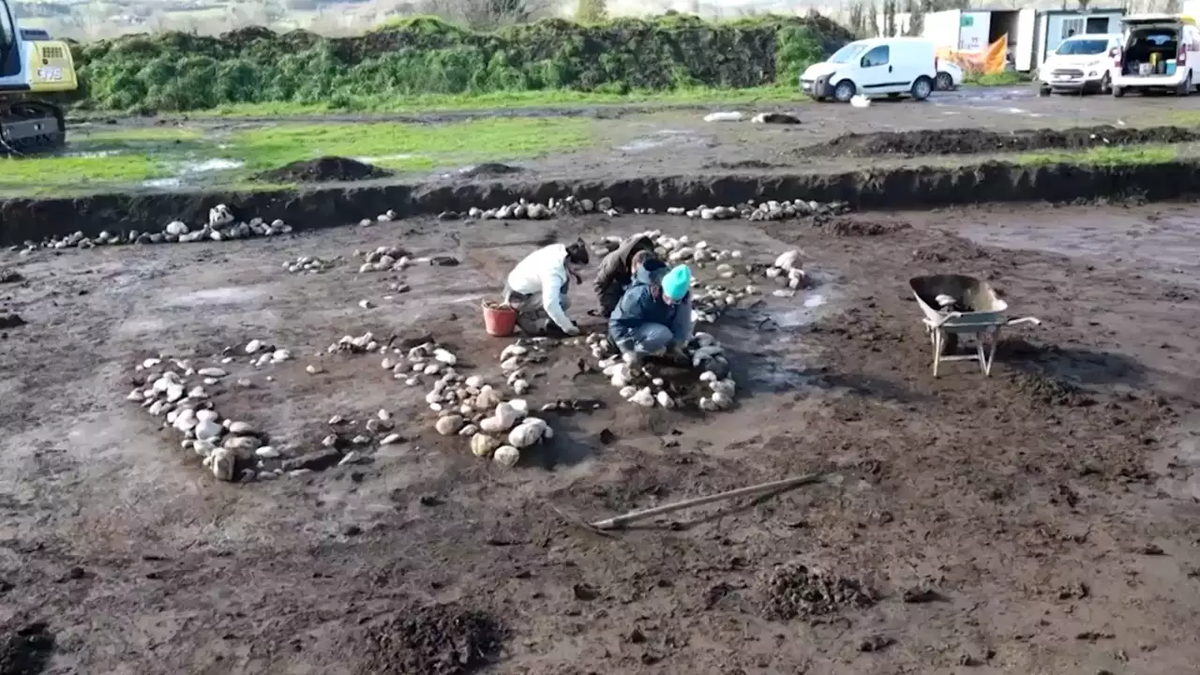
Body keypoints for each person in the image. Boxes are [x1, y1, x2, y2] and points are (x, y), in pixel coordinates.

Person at [502, 238, 589, 337]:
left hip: (514, 284)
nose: (578, 272)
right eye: (576, 268)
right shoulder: (554, 273)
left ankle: (555, 318)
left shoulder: (559, 250)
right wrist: (568, 328)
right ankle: (527, 321)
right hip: (518, 298)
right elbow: (550, 304)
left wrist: (574, 273)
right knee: (563, 302)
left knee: (564, 284)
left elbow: (563, 273)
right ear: (569, 260)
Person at [609, 263, 694, 363]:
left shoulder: (683, 298)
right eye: (667, 297)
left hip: (656, 322)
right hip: (632, 327)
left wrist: (675, 346)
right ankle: (638, 353)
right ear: (661, 288)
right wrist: (627, 350)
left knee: (690, 320)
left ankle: (665, 347)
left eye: (675, 300)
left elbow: (682, 323)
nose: (670, 302)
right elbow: (616, 322)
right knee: (663, 334)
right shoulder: (638, 295)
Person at [593, 234, 657, 317]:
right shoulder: (613, 262)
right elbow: (599, 284)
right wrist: (602, 306)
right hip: (614, 279)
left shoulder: (650, 258)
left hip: (629, 277)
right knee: (610, 311)